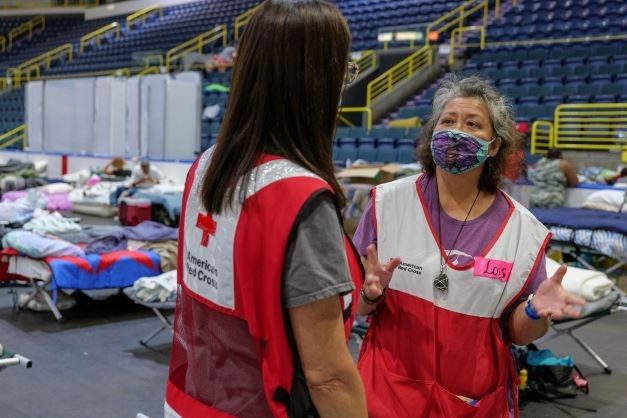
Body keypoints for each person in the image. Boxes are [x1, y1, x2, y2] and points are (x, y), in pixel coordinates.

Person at [166, 1, 367, 417]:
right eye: (343, 72)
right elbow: (327, 376)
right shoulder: (299, 199)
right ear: (316, 83)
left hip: (192, 400)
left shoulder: (206, 166)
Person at [352, 75, 585, 417]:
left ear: (493, 146)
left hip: (473, 401)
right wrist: (369, 295)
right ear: (433, 133)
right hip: (388, 392)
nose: (457, 131)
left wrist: (535, 311)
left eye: (473, 123)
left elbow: (519, 334)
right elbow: (358, 308)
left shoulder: (523, 231)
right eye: (448, 121)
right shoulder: (387, 203)